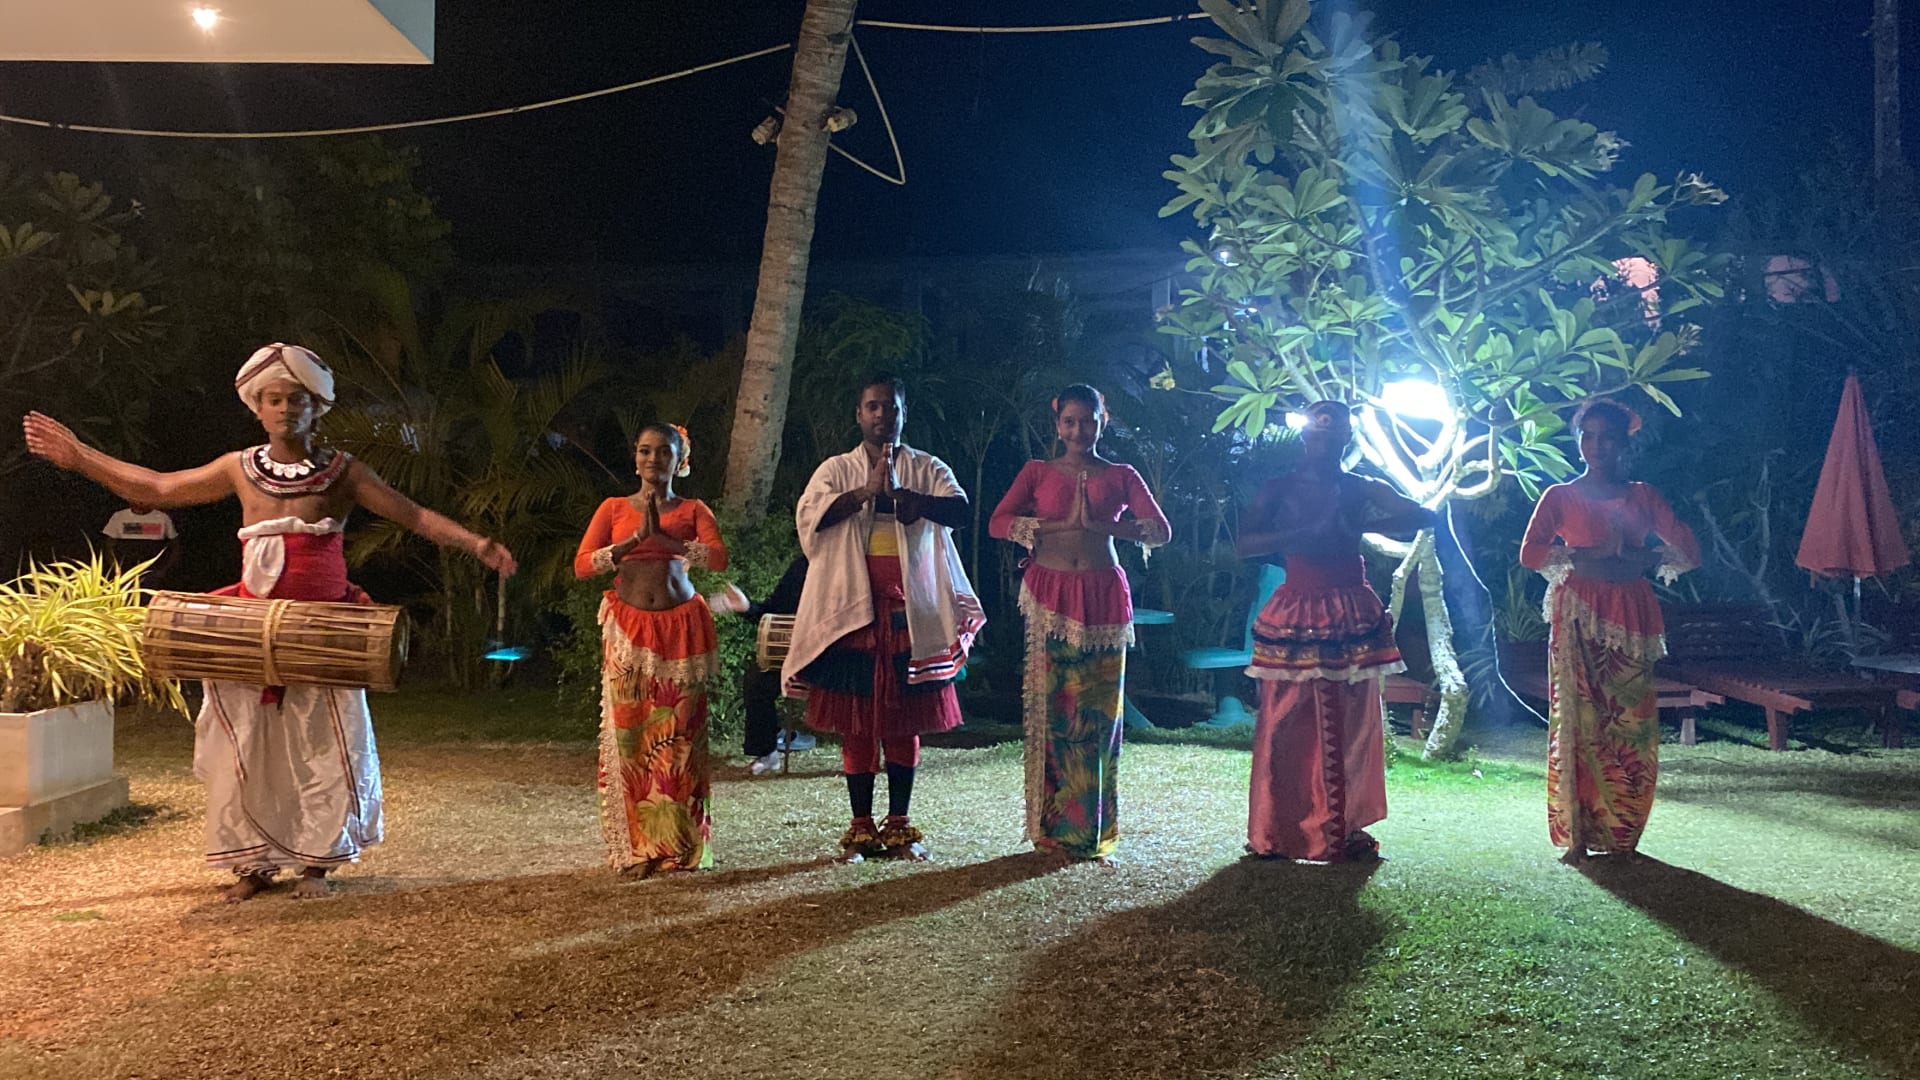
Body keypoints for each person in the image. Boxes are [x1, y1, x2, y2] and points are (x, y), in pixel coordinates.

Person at [23, 343, 517, 901]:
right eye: (274, 399)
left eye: (296, 400)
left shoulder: (343, 473)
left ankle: (316, 863)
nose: (285, 409)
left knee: (323, 746)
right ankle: (253, 865)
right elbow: (158, 488)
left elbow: (414, 514)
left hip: (322, 631)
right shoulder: (239, 468)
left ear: (316, 408)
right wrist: (80, 456)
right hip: (251, 632)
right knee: (247, 747)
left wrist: (476, 543)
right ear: (257, 408)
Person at [782, 373, 984, 862]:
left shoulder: (926, 467)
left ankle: (899, 826)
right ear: (859, 414)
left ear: (903, 413)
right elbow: (807, 519)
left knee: (903, 721)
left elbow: (960, 510)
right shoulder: (835, 470)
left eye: (891, 407)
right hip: (851, 616)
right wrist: (862, 493)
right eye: (873, 406)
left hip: (909, 616)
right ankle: (860, 829)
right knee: (856, 724)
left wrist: (906, 499)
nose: (882, 415)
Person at [1237, 400, 1431, 863]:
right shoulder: (1279, 488)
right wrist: (1299, 534)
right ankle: (1275, 831)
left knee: (1351, 723)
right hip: (1296, 606)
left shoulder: (1360, 487)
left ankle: (1341, 828)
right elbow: (1243, 544)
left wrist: (1363, 522)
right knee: (1283, 722)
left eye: (1335, 432)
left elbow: (1425, 516)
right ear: (1305, 435)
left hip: (1349, 610)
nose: (1324, 439)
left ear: (1347, 438)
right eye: (1317, 430)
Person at [989, 384, 1170, 863]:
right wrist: (1056, 526)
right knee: (1056, 714)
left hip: (1103, 596)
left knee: (1099, 716)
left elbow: (1160, 531)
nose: (1078, 430)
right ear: (1058, 425)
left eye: (1088, 421)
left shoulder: (1122, 475)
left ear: (1101, 423)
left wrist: (1101, 526)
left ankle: (1093, 832)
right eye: (1070, 421)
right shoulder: (1037, 471)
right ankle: (1053, 830)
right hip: (1050, 596)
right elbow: (997, 522)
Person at [1519, 399, 1699, 861]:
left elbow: (1689, 550)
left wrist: (1640, 556)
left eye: (1607, 437)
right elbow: (1531, 552)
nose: (1596, 445)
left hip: (1630, 611)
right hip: (1578, 611)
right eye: (1588, 435)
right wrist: (1589, 555)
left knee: (1630, 723)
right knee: (1577, 719)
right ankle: (1577, 835)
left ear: (1624, 444)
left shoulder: (1644, 496)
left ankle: (1622, 833)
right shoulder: (1559, 496)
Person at [574, 423, 729, 877]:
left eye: (664, 452)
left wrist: (667, 541)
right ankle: (638, 850)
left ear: (680, 460)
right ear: (635, 457)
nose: (653, 459)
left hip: (680, 632)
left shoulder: (694, 509)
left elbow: (718, 559)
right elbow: (582, 565)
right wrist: (630, 544)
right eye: (645, 451)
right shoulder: (613, 508)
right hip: (629, 630)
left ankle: (679, 848)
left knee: (679, 742)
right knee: (631, 741)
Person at [709, 555, 818, 776]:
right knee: (757, 678)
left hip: (843, 657)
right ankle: (767, 753)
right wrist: (747, 607)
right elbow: (774, 612)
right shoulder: (803, 565)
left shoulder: (852, 564)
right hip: (800, 657)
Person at [101, 502, 181, 587]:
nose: (140, 503)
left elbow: (174, 545)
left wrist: (163, 569)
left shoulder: (162, 517)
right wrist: (115, 568)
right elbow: (108, 546)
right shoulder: (119, 516)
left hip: (152, 571)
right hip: (125, 571)